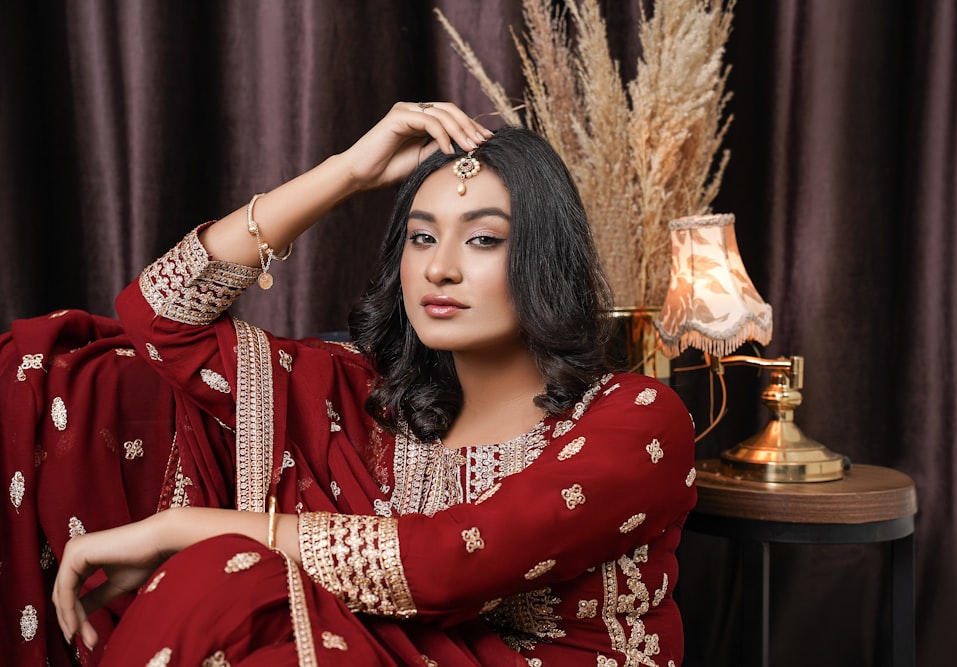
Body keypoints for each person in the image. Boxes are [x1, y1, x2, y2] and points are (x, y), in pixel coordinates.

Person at [2, 102, 696, 665]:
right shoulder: (369, 403)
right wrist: (346, 173)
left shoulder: (632, 416)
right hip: (369, 650)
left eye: (483, 239)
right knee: (63, 383)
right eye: (422, 238)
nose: (440, 268)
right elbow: (157, 318)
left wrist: (184, 528)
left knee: (220, 572)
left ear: (545, 261)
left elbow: (449, 562)